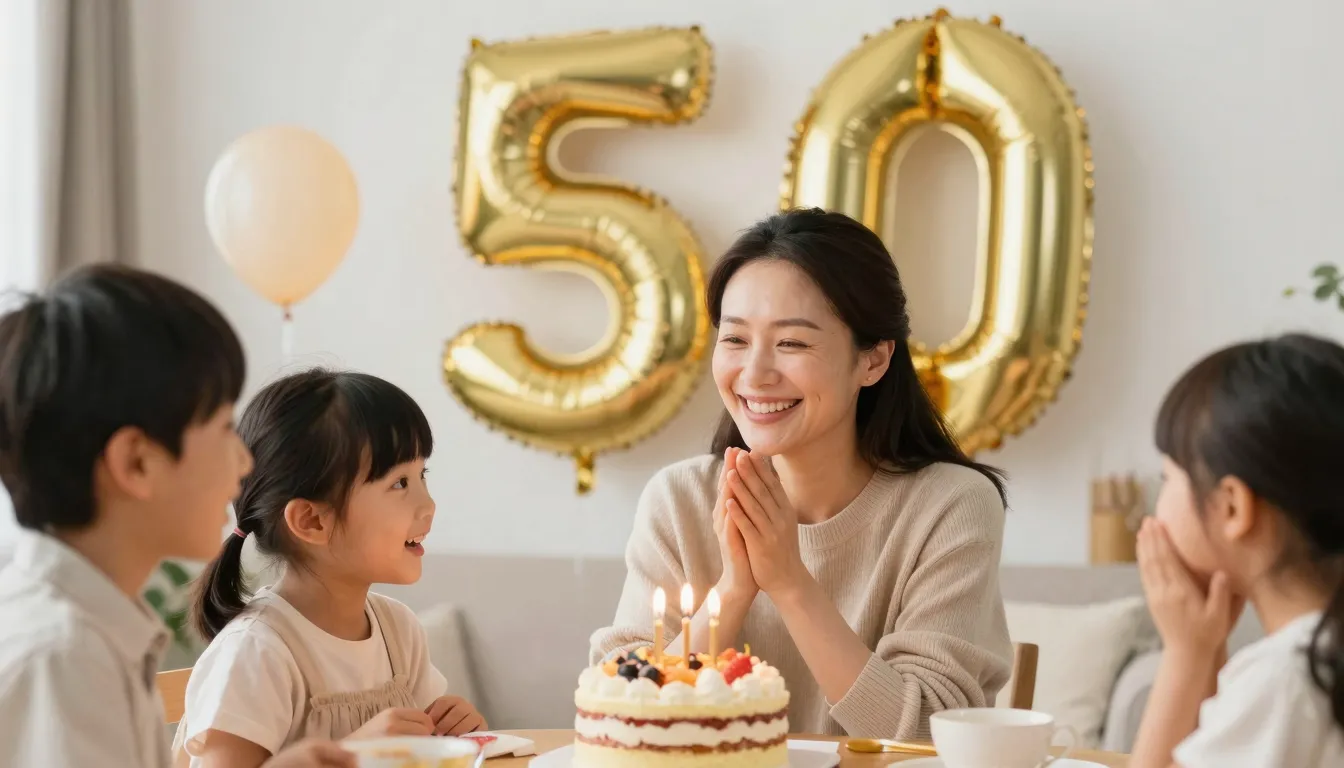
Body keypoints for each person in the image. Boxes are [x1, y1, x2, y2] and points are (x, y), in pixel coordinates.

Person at [591, 208, 1013, 739]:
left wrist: (789, 581)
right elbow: (617, 715)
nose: (756, 374)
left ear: (874, 360)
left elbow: (929, 731)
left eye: (791, 343)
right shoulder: (678, 499)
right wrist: (735, 587)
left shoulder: (950, 505)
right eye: (736, 339)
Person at [0, 265, 354, 767]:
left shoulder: (95, 631)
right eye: (224, 427)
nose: (245, 461)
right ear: (137, 462)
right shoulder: (64, 658)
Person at [176, 369, 486, 768]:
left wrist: (453, 730)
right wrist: (350, 755)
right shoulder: (258, 652)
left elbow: (420, 752)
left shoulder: (398, 630)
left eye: (421, 475)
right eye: (398, 484)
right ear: (312, 521)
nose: (428, 505)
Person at [1129, 334, 1344, 767]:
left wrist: (1185, 655)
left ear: (1232, 507)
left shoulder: (1288, 678)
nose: (1159, 500)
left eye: (1168, 477)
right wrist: (1204, 646)